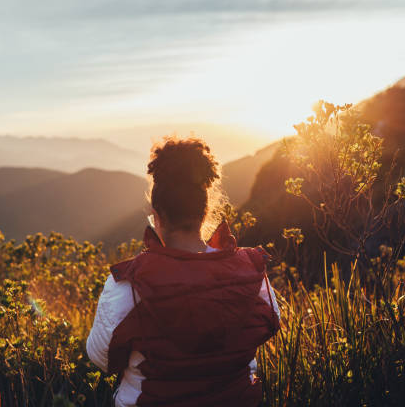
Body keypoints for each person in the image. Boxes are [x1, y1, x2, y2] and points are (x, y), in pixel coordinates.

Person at [86, 137, 281, 407]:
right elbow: (272, 324)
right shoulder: (251, 273)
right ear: (205, 212)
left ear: (157, 218)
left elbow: (102, 358)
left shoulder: (130, 283)